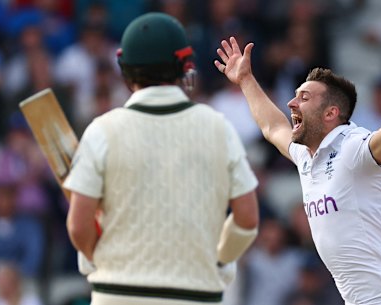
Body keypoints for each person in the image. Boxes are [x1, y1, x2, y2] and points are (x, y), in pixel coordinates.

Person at [214, 37, 381, 305]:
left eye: (304, 97)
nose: (291, 103)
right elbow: (272, 127)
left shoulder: (354, 148)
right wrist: (245, 80)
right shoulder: (306, 155)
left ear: (330, 113)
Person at [63, 13, 259, 305]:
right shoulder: (219, 127)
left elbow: (79, 226)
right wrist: (220, 257)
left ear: (124, 68)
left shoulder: (102, 130)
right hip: (196, 294)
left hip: (117, 294)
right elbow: (246, 219)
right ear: (186, 66)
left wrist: (99, 258)